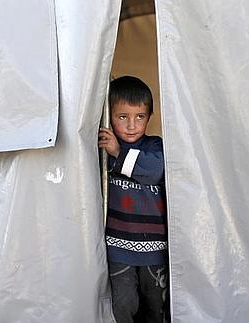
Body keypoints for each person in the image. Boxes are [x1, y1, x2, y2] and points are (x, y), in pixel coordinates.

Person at [98, 76, 169, 323]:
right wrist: (110, 151)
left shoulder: (155, 147)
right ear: (109, 117)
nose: (131, 125)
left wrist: (118, 153)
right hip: (118, 246)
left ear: (149, 116)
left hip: (155, 249)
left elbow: (154, 171)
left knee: (155, 305)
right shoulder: (103, 149)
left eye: (139, 116)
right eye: (122, 117)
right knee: (123, 303)